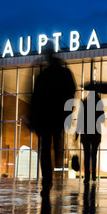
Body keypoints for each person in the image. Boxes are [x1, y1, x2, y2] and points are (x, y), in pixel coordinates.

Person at [30, 43, 76, 194]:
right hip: (56, 118)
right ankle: (51, 179)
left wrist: (34, 117)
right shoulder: (63, 72)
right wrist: (67, 113)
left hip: (46, 118)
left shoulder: (43, 74)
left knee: (46, 150)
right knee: (55, 148)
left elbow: (35, 98)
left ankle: (48, 181)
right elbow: (71, 93)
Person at [76, 91, 104, 184]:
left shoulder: (84, 103)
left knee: (86, 155)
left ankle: (87, 176)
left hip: (86, 133)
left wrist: (77, 133)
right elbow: (102, 119)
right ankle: (93, 176)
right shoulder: (98, 104)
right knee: (94, 155)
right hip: (95, 133)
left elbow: (80, 118)